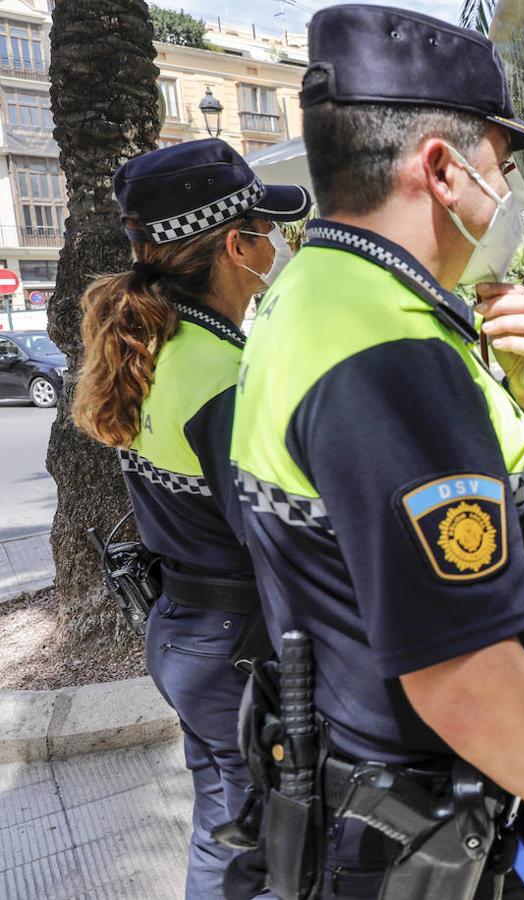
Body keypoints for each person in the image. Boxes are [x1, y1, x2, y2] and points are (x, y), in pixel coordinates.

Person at [228, 7, 524, 899]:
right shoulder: (393, 357)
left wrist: (521, 391)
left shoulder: (314, 289)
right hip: (441, 821)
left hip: (379, 793)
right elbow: (469, 679)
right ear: (444, 170)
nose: (512, 189)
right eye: (504, 162)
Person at [72, 138, 312, 898]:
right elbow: (274, 536)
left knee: (225, 826)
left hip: (187, 633)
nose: (278, 245)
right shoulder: (219, 374)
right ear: (237, 246)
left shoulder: (158, 344)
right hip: (236, 646)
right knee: (263, 841)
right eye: (267, 232)